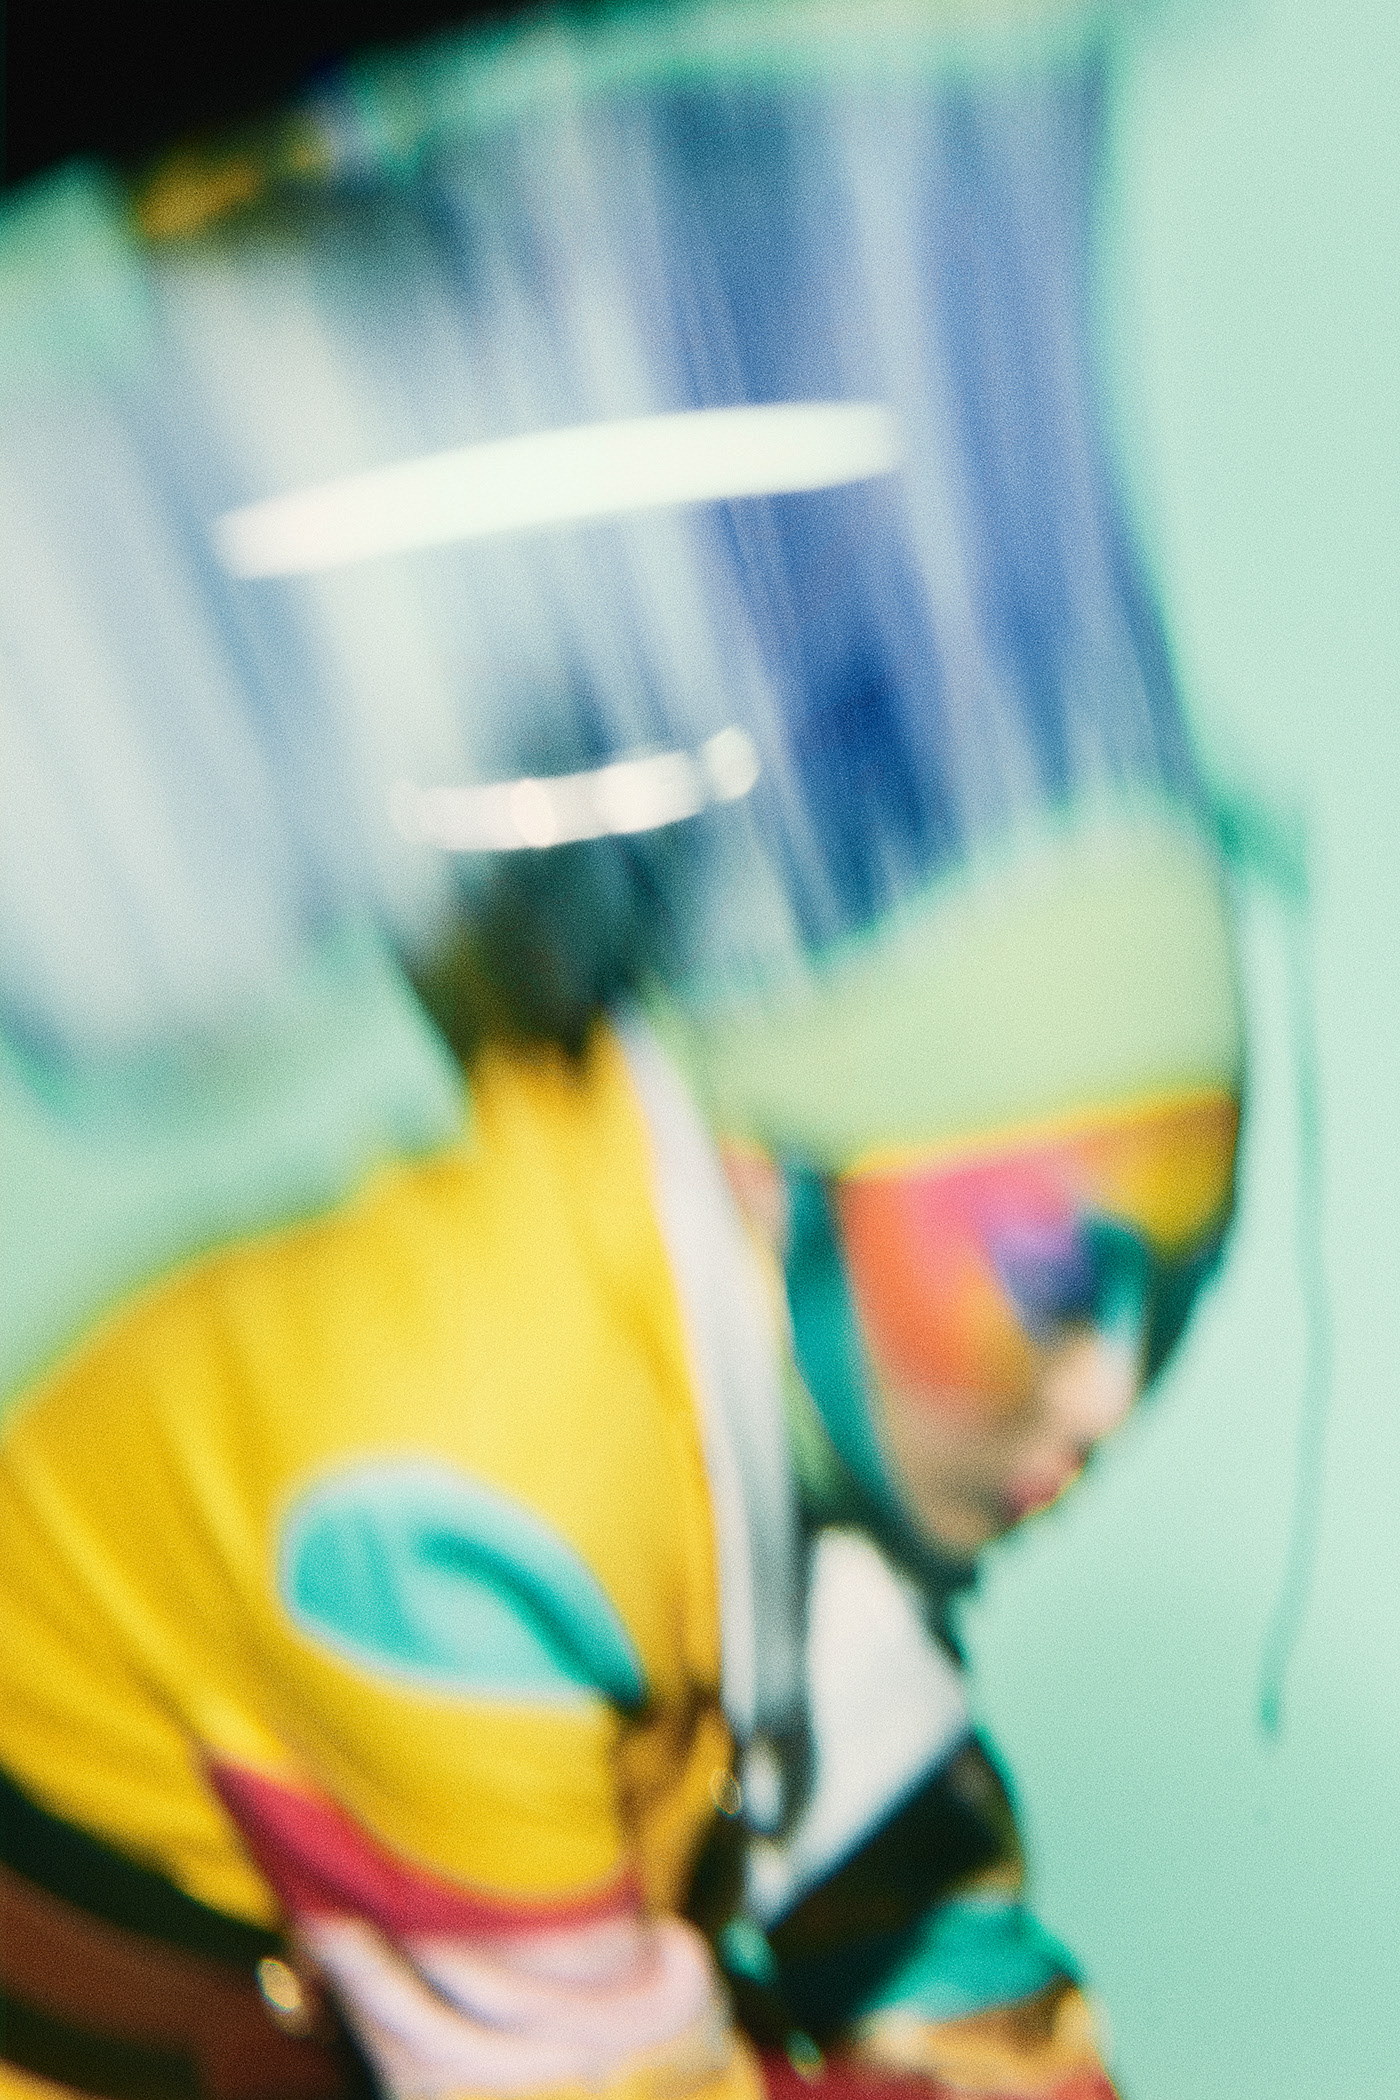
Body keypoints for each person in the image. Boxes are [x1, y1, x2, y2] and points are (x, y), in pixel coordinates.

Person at [0, 5, 1243, 2097]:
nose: (1110, 1396)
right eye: (1060, 1278)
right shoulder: (463, 1498)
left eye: (1172, 1300)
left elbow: (906, 1892)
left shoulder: (778, 1405)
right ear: (779, 1171)